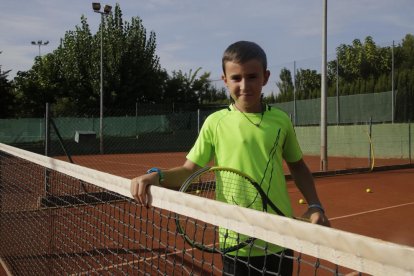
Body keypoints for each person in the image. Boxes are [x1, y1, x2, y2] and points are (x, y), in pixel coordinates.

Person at [131, 40, 330, 275]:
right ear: (224, 80)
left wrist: (315, 205)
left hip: (279, 236)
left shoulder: (281, 120)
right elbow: (188, 171)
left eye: (252, 76)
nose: (244, 85)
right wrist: (156, 176)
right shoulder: (215, 122)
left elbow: (298, 166)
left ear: (265, 77)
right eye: (236, 78)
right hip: (234, 239)